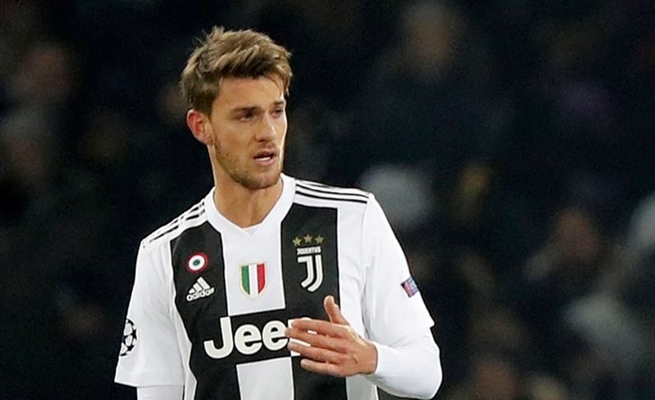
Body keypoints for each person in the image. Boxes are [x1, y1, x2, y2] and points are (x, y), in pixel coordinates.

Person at [114, 26, 442, 400]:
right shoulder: (164, 254)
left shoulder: (352, 219)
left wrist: (370, 358)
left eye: (277, 111)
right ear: (201, 126)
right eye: (246, 116)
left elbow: (427, 373)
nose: (268, 132)